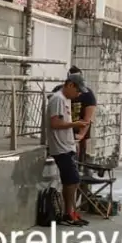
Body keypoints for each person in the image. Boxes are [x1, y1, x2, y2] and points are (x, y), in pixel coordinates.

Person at [46, 74, 90, 226]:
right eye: (77, 90)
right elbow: (55, 123)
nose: (78, 94)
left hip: (67, 145)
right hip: (61, 147)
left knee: (72, 180)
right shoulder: (57, 99)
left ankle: (70, 212)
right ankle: (68, 213)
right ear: (70, 85)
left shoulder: (66, 100)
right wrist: (75, 124)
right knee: (72, 180)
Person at [53, 66, 98, 164]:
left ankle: (82, 166)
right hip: (63, 130)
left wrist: (81, 134)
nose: (78, 93)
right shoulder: (58, 94)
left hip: (79, 126)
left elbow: (88, 118)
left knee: (80, 148)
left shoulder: (88, 94)